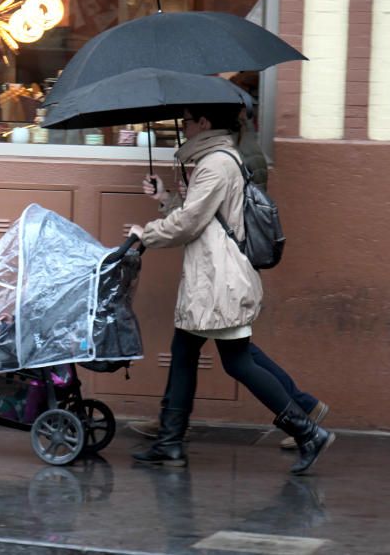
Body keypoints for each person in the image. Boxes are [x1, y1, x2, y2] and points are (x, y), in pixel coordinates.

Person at [128, 105, 334, 474]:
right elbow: (203, 217)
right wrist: (165, 199)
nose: (185, 128)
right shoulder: (216, 161)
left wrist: (148, 234)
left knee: (237, 360)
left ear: (204, 123)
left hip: (218, 280)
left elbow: (190, 223)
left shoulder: (216, 164)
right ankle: (170, 441)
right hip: (210, 278)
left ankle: (306, 432)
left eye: (188, 121)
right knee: (184, 351)